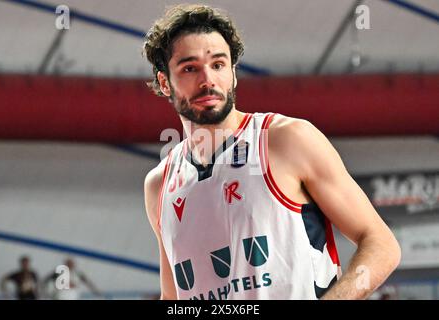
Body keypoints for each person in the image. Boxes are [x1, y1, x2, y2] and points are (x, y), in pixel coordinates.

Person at [142, 4, 401, 300]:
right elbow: (173, 298)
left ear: (233, 73)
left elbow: (381, 245)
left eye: (218, 64)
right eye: (190, 68)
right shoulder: (159, 184)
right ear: (165, 82)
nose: (208, 80)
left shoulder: (286, 139)